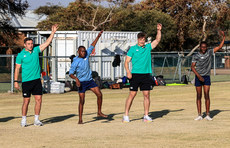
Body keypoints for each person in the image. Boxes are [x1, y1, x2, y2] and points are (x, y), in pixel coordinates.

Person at [14, 24, 59, 127]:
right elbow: (17, 69)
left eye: (31, 43)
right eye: (28, 44)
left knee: (38, 100)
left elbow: (47, 43)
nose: (30, 45)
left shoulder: (36, 50)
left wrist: (53, 32)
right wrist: (16, 81)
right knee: (26, 101)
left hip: (36, 80)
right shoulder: (21, 55)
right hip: (26, 81)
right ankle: (24, 120)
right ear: (25, 45)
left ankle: (36, 120)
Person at [123, 24, 162, 122]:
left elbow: (157, 40)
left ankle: (146, 115)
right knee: (132, 94)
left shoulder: (148, 47)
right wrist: (128, 72)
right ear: (138, 39)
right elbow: (126, 62)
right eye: (140, 39)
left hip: (146, 74)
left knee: (146, 95)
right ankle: (126, 115)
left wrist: (158, 30)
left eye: (143, 39)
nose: (142, 41)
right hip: (135, 74)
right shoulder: (132, 49)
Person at [69, 30, 107, 124]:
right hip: (81, 82)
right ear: (78, 52)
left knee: (99, 94)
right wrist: (76, 79)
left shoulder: (86, 55)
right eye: (82, 51)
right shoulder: (75, 61)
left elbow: (92, 45)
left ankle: (99, 112)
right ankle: (80, 119)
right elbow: (70, 73)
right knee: (82, 100)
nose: (84, 52)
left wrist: (98, 36)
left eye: (85, 51)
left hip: (89, 81)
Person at [191, 31, 225, 121]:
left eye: (205, 47)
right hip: (198, 77)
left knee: (207, 95)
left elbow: (220, 47)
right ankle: (199, 115)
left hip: (206, 77)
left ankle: (207, 114)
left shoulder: (209, 52)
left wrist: (223, 38)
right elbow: (192, 67)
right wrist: (198, 76)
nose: (203, 48)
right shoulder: (195, 56)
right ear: (200, 47)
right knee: (199, 96)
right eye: (202, 47)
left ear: (206, 47)